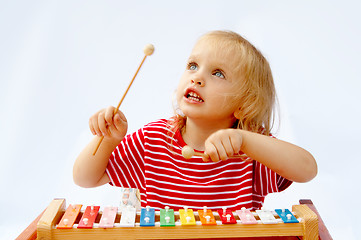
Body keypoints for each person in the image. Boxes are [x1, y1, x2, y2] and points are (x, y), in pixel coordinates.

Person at [73, 30, 317, 211]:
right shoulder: (153, 140)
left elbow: (307, 169)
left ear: (243, 105)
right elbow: (85, 178)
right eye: (193, 65)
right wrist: (107, 139)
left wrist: (245, 140)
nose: (197, 78)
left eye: (217, 73)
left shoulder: (250, 150)